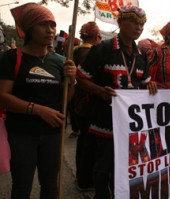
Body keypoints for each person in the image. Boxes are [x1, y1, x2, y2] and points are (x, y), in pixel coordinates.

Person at [76, 5, 157, 199]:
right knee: (103, 164)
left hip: (130, 123)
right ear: (120, 23)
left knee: (124, 165)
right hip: (105, 119)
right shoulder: (102, 49)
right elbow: (81, 78)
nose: (138, 28)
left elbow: (144, 82)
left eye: (142, 24)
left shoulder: (141, 55)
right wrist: (99, 90)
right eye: (133, 22)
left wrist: (151, 85)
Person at [0, 3, 77, 199]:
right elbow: (3, 96)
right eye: (43, 24)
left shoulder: (59, 62)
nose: (50, 30)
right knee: (22, 187)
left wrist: (72, 81)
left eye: (52, 25)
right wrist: (38, 110)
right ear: (29, 28)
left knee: (50, 187)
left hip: (53, 135)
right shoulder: (11, 58)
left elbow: (64, 102)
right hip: (21, 135)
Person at [73, 21, 102, 191]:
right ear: (96, 37)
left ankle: (82, 177)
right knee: (87, 143)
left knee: (84, 141)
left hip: (79, 100)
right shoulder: (89, 52)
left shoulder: (76, 50)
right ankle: (84, 180)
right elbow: (86, 79)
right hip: (88, 102)